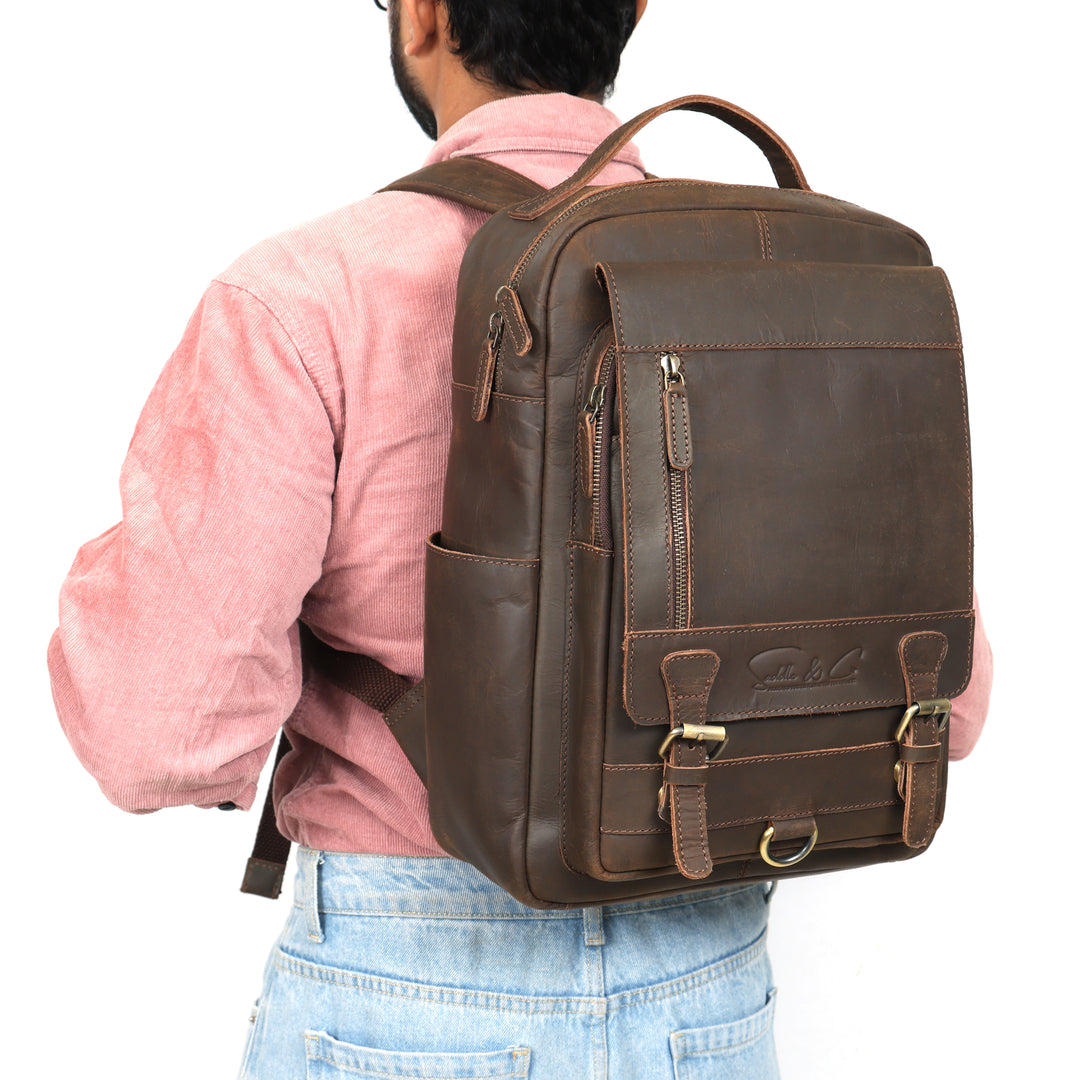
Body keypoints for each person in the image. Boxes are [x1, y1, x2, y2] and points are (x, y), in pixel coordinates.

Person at [47, 1, 994, 1077]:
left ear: (424, 16)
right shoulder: (796, 279)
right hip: (710, 982)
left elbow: (157, 732)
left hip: (404, 990)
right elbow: (948, 707)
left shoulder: (303, 295)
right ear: (631, 7)